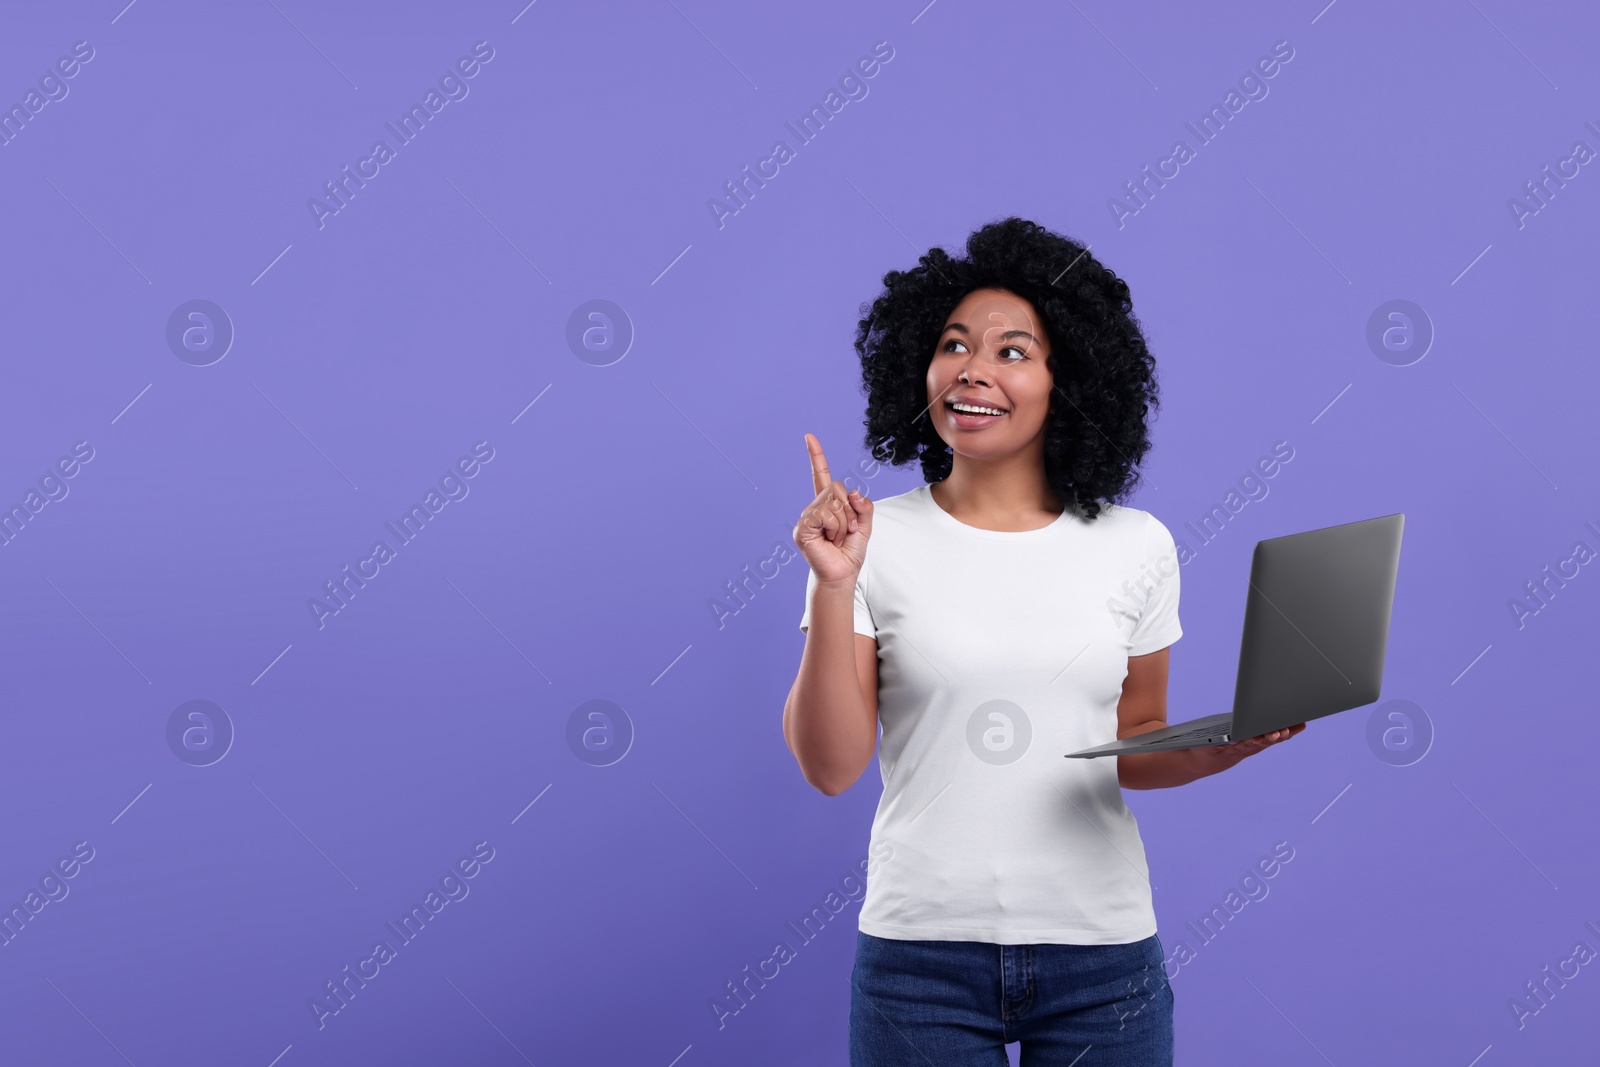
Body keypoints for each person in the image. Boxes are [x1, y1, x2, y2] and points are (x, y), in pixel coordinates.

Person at [786, 217, 1305, 1066]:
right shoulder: (867, 538)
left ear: (1070, 381)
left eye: (1012, 351)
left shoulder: (1137, 544)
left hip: (1102, 958)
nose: (973, 370)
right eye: (953, 344)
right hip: (920, 958)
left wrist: (1222, 747)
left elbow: (1133, 744)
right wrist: (835, 582)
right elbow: (830, 765)